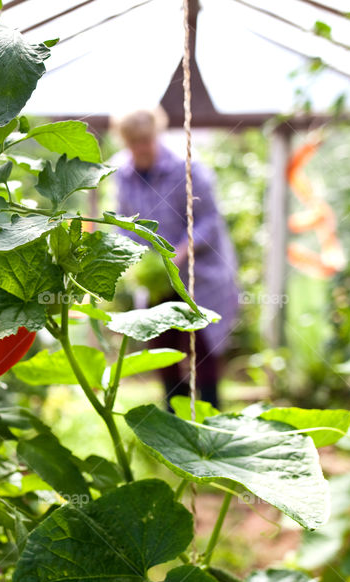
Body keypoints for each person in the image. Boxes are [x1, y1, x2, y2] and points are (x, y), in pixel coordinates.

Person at [113, 106, 239, 409]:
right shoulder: (122, 173)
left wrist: (182, 250)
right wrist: (133, 255)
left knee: (204, 345)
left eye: (145, 140)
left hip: (201, 274)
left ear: (155, 135)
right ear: (125, 141)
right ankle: (173, 419)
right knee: (162, 344)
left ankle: (210, 416)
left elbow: (210, 219)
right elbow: (123, 219)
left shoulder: (189, 169)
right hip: (158, 278)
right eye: (133, 142)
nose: (140, 148)